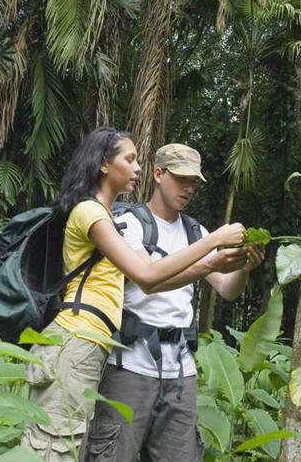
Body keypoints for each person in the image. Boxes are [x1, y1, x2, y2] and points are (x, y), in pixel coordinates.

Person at [21, 128, 247, 460]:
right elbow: (147, 276)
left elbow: (155, 277)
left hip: (98, 348)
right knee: (55, 448)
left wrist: (240, 263)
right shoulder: (98, 215)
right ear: (103, 165)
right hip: (81, 343)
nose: (137, 167)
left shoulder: (109, 217)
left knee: (69, 445)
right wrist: (213, 246)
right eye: (130, 159)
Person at [85, 143, 265, 462]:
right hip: (129, 366)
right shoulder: (129, 221)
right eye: (181, 178)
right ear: (158, 174)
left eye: (193, 181)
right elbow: (148, 279)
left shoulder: (195, 231)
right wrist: (214, 248)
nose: (188, 188)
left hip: (180, 371)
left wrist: (245, 267)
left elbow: (226, 289)